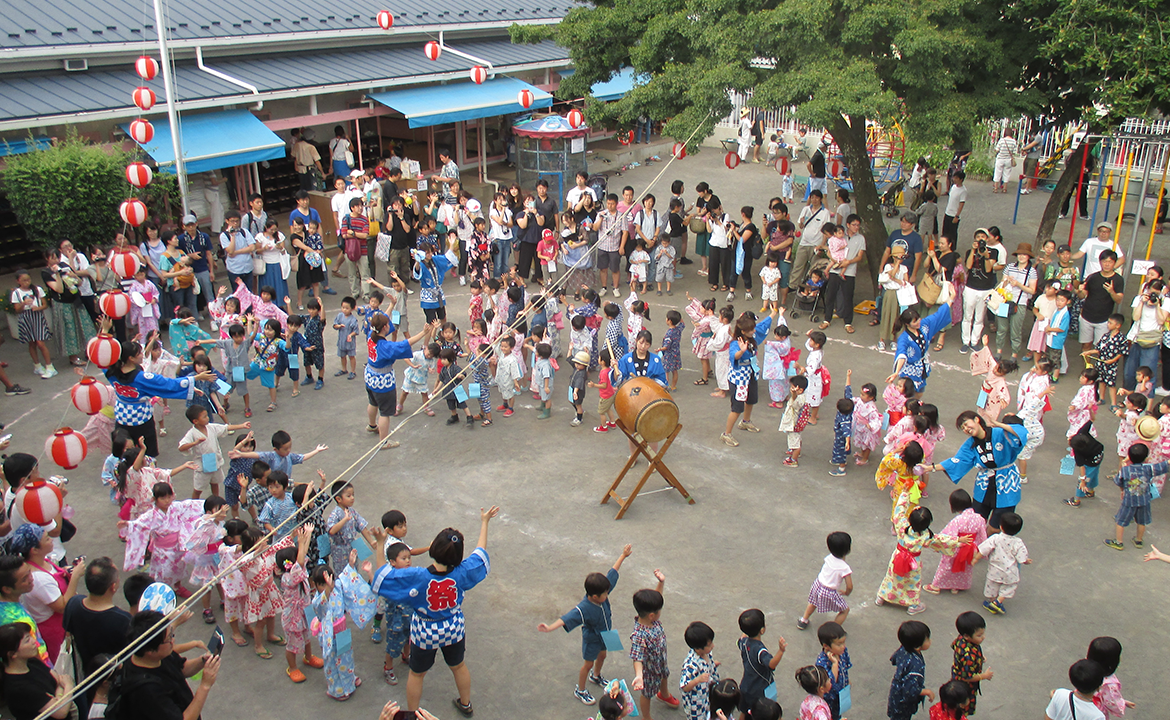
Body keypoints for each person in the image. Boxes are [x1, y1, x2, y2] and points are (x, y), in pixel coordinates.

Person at [370, 506, 499, 716]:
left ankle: (413, 715)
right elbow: (480, 553)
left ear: (433, 549)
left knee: (417, 674)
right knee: (458, 666)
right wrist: (484, 522)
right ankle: (466, 703)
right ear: (458, 557)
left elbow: (383, 578)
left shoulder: (417, 576)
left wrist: (381, 545)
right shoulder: (462, 573)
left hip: (425, 631)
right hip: (454, 627)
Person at [536, 544, 632, 706]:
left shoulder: (601, 591)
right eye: (605, 594)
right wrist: (550, 627)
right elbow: (566, 618)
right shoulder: (584, 608)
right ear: (595, 596)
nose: (608, 595)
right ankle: (580, 690)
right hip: (593, 638)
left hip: (607, 633)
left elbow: (612, 573)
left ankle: (596, 676)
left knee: (603, 655)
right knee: (587, 664)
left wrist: (623, 555)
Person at [119, 610, 220, 720]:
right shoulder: (147, 690)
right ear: (150, 650)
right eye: (168, 639)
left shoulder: (160, 655)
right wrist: (205, 686)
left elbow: (181, 668)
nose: (173, 640)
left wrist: (202, 661)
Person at [7, 525, 82, 664]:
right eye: (47, 539)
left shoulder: (42, 561)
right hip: (54, 632)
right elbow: (62, 606)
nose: (51, 540)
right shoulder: (39, 579)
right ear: (34, 550)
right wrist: (76, 577)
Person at [62, 557, 132, 683]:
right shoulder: (123, 620)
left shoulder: (73, 604)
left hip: (84, 675)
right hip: (113, 678)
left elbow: (68, 633)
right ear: (113, 586)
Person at [0, 622, 73, 720]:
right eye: (27, 640)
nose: (34, 641)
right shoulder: (18, 688)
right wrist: (68, 685)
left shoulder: (31, 661)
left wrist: (58, 698)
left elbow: (58, 680)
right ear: (12, 654)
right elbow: (60, 711)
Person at [1103, 443, 1167, 551]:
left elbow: (1118, 481)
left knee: (1121, 520)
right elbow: (1163, 466)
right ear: (1146, 458)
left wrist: (1122, 490)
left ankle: (1119, 542)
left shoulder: (1125, 470)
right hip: (1144, 499)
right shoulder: (1149, 469)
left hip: (1129, 500)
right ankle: (1138, 540)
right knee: (1142, 521)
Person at [971, 511, 1030, 614]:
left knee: (992, 585)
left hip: (995, 569)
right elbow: (1022, 558)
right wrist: (1026, 561)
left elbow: (984, 548)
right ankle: (999, 601)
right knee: (1009, 586)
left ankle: (992, 600)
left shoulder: (995, 538)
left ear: (1001, 527)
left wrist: (976, 558)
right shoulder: (1018, 542)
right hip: (1010, 571)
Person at [959, 229, 1003, 354]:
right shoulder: (970, 251)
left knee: (979, 317)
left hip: (985, 288)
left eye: (983, 236)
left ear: (987, 239)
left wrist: (986, 256)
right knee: (967, 315)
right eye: (978, 236)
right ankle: (965, 341)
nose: (980, 239)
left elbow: (989, 269)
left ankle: (975, 341)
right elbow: (968, 266)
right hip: (971, 287)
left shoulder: (993, 252)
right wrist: (973, 251)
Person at [736, 608, 786, 718]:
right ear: (762, 630)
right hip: (759, 690)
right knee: (761, 714)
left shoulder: (743, 643)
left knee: (744, 711)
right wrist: (780, 651)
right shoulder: (760, 650)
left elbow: (740, 639)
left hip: (745, 686)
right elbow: (771, 664)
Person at [798, 532, 852, 629]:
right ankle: (833, 630)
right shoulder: (845, 568)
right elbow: (849, 586)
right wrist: (847, 592)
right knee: (845, 610)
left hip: (818, 585)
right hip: (829, 592)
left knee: (813, 602)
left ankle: (803, 620)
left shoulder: (829, 557)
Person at [1077, 250, 1125, 350]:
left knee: (1101, 347)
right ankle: (1087, 365)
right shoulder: (1092, 277)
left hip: (1104, 319)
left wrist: (1112, 291)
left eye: (1110, 262)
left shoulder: (1118, 280)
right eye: (1104, 261)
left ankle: (1098, 365)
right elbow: (1082, 296)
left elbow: (1119, 300)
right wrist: (1079, 291)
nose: (1107, 264)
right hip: (1086, 316)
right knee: (1086, 344)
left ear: (1114, 263)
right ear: (1100, 262)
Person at [887, 620, 934, 720]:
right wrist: (926, 691)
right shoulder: (916, 666)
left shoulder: (904, 648)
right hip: (903, 703)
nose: (930, 641)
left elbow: (894, 659)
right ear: (917, 646)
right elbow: (909, 691)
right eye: (927, 639)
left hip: (896, 692)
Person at [788, 191, 830, 297]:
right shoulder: (805, 209)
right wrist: (801, 222)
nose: (814, 200)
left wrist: (822, 245)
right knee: (798, 265)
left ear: (820, 199)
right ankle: (793, 286)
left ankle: (812, 289)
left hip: (816, 244)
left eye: (816, 198)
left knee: (814, 268)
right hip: (804, 242)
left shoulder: (825, 213)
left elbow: (825, 231)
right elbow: (801, 226)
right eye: (812, 197)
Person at [949, 611, 991, 716]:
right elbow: (968, 677)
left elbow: (953, 646)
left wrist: (978, 657)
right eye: (979, 635)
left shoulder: (960, 638)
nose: (983, 637)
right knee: (962, 707)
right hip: (965, 686)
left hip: (956, 676)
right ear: (967, 636)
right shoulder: (968, 657)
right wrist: (984, 676)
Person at [942, 170, 967, 242]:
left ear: (961, 179)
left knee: (952, 233)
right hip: (947, 212)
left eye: (956, 178)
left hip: (954, 215)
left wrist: (957, 216)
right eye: (954, 177)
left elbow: (961, 204)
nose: (954, 179)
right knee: (945, 231)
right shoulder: (953, 186)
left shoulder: (963, 191)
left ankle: (952, 247)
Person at [991, 129, 1018, 193]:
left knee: (997, 173)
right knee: (1007, 174)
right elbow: (1014, 152)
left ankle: (995, 188)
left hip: (1000, 159)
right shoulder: (1014, 141)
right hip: (1008, 159)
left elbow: (997, 149)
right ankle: (1005, 189)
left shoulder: (1001, 140)